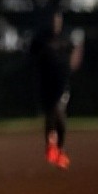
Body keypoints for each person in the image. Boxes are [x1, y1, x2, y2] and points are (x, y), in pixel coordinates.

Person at [29, 10, 83, 169]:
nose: (55, 23)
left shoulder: (66, 37)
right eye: (53, 20)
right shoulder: (41, 38)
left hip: (62, 82)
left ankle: (60, 146)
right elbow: (32, 55)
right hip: (46, 83)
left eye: (57, 20)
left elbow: (75, 53)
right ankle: (50, 146)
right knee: (50, 114)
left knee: (59, 111)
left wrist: (72, 66)